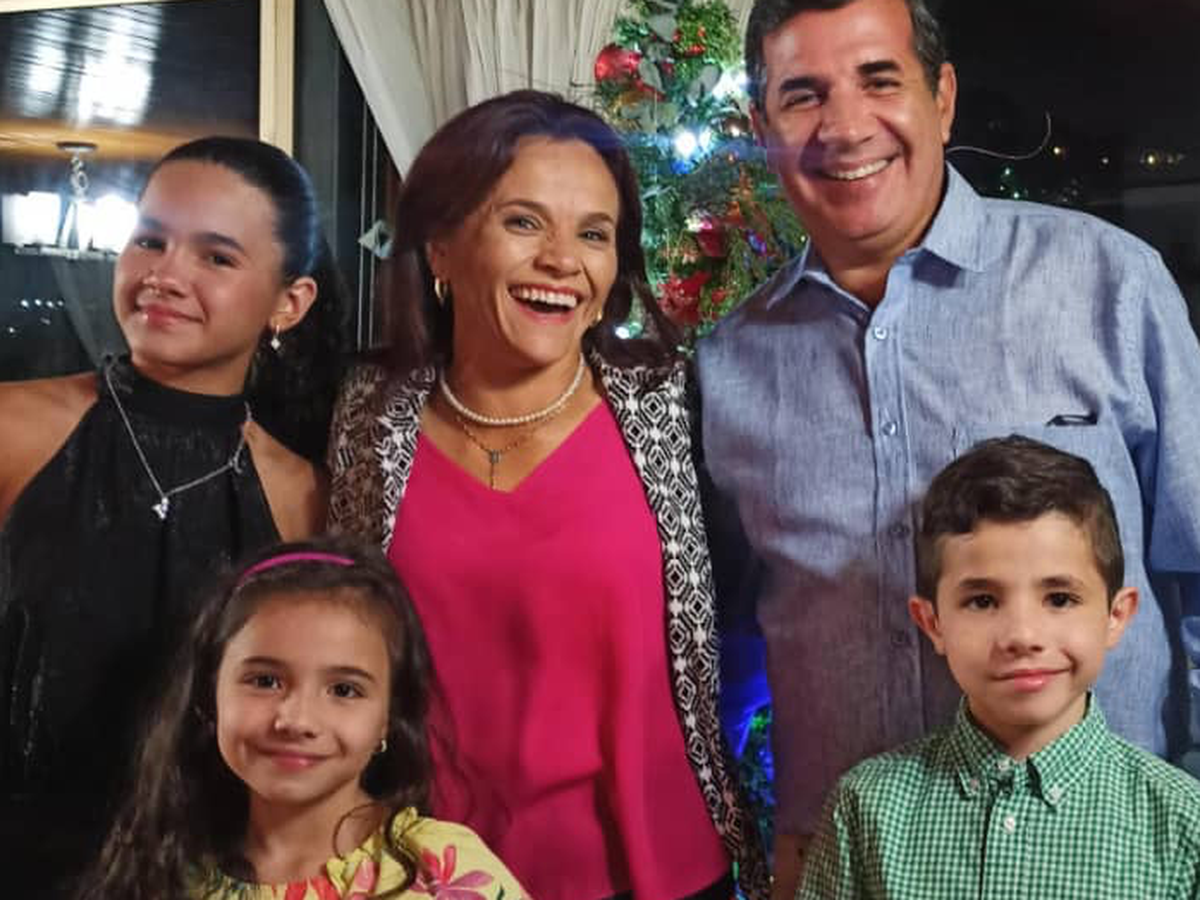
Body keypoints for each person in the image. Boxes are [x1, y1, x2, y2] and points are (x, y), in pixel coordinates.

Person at [695, 0, 1200, 894]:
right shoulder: (728, 365)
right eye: (803, 94)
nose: (846, 126)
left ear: (943, 96)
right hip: (847, 865)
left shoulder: (1107, 284)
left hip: (1111, 861)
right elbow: (725, 643)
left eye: (879, 79)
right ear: (760, 127)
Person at [328, 90, 768, 900]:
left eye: (594, 234)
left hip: (653, 872)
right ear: (441, 248)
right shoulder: (369, 412)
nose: (564, 260)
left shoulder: (675, 406)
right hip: (424, 872)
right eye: (524, 222)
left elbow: (752, 617)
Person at [0, 136, 346, 894]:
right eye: (150, 240)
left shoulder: (302, 495)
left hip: (202, 877)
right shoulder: (16, 429)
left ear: (289, 303)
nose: (163, 274)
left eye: (215, 257)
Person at [797, 436, 1200, 899]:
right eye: (983, 601)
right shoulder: (864, 809)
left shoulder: (1183, 826)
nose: (1022, 636)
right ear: (932, 624)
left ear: (1116, 616)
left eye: (1059, 599)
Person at [77, 537, 530, 900]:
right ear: (209, 695)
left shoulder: (443, 872)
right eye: (265, 681)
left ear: (388, 718)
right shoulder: (163, 869)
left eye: (344, 690)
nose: (296, 720)